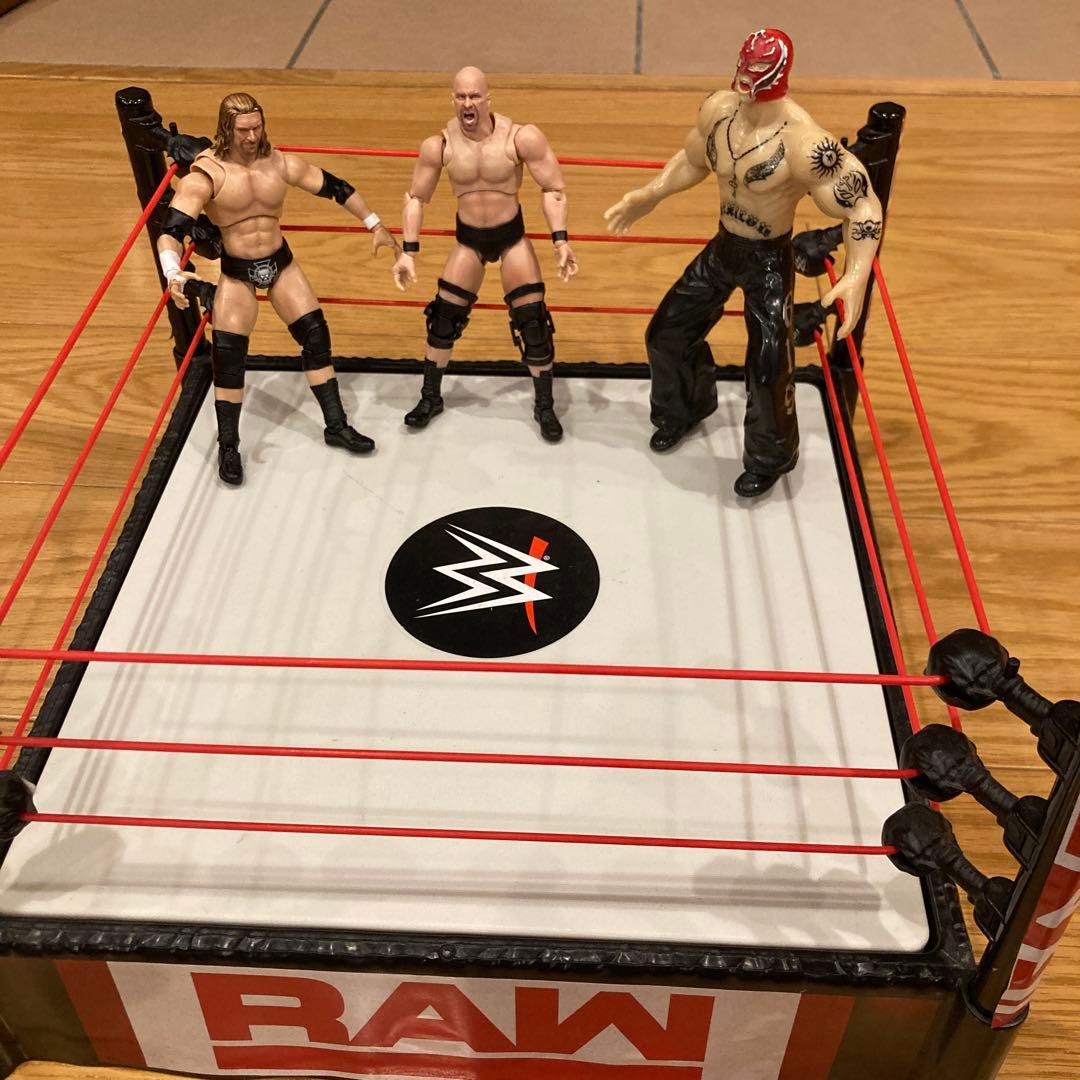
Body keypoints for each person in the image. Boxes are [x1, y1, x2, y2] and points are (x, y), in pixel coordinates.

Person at [604, 28, 883, 497]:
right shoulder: (719, 111)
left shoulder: (805, 145)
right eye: (744, 66)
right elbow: (694, 158)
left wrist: (856, 275)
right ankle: (686, 407)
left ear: (776, 75)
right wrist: (650, 194)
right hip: (724, 247)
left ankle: (770, 457)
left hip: (769, 259)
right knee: (666, 334)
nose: (745, 79)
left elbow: (862, 206)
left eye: (756, 71)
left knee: (770, 366)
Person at [158, 92, 398, 485]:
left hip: (280, 263)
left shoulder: (279, 162)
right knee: (228, 357)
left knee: (316, 336)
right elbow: (171, 231)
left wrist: (375, 224)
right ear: (226, 129)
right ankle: (229, 446)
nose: (252, 137)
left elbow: (336, 187)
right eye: (243, 130)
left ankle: (336, 424)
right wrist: (172, 272)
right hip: (237, 271)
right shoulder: (207, 174)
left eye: (257, 127)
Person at [391, 67, 579, 442]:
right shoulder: (439, 145)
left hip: (511, 238)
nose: (468, 103)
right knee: (443, 320)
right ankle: (430, 396)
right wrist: (408, 252)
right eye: (461, 96)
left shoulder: (520, 138)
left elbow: (553, 188)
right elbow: (416, 198)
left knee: (533, 325)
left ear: (488, 99)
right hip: (469, 240)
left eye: (474, 96)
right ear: (452, 100)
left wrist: (561, 241)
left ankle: (545, 405)